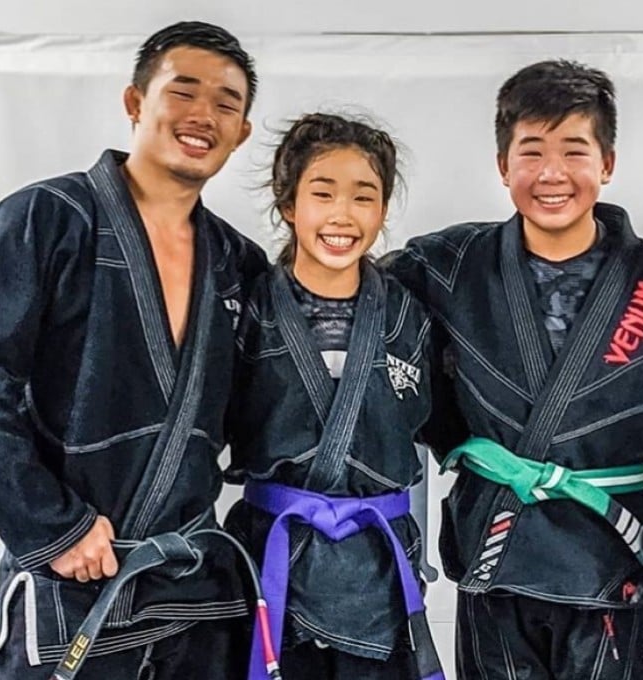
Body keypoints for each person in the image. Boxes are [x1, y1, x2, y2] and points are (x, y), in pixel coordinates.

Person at [0, 21, 268, 680]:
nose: (204, 115)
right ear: (136, 102)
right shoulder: (44, 219)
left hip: (193, 590)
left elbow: (256, 417)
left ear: (243, 132)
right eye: (182, 91)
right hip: (76, 577)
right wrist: (54, 526)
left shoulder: (238, 263)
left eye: (227, 103)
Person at [384, 60, 643, 679]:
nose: (552, 174)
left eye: (574, 151)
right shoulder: (446, 267)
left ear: (607, 164)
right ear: (503, 166)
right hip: (497, 551)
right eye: (531, 152)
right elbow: (363, 326)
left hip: (611, 554)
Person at [223, 113, 445, 680]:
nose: (342, 215)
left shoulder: (407, 316)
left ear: (384, 210)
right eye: (323, 194)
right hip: (273, 562)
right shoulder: (251, 311)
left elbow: (423, 417)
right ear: (289, 204)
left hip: (375, 571)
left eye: (363, 197)